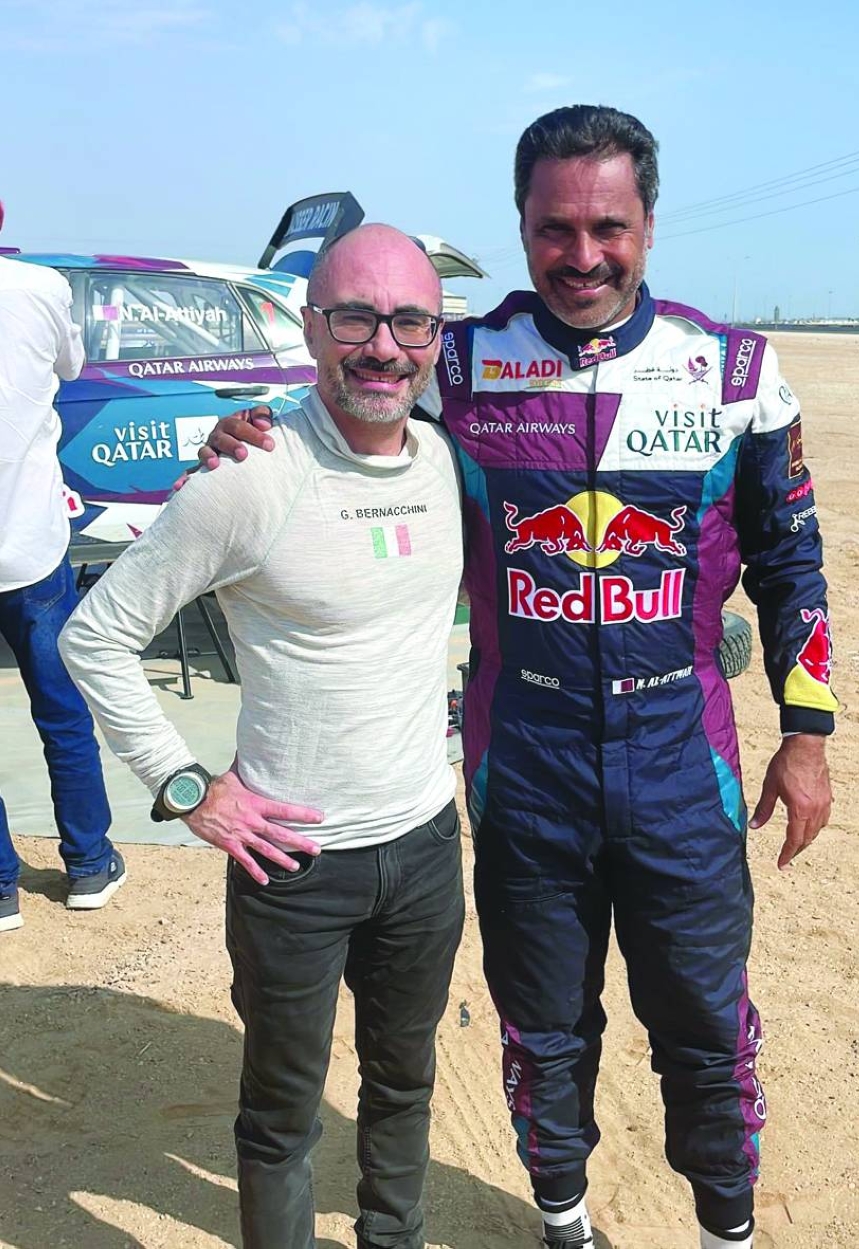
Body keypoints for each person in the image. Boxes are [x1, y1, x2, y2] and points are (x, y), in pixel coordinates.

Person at [202, 105, 838, 1249]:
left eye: (608, 227)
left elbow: (792, 559)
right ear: (523, 227)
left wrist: (806, 732)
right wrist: (247, 431)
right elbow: (350, 398)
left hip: (680, 763)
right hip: (523, 764)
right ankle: (562, 1218)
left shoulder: (735, 371)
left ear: (649, 223)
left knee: (703, 1023)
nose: (581, 255)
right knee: (542, 1025)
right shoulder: (460, 361)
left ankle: (725, 1229)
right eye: (555, 229)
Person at [58, 225, 467, 1249]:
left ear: (435, 333)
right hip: (293, 861)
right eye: (354, 318)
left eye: (408, 320)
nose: (382, 345)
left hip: (423, 844)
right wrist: (188, 788)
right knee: (282, 1114)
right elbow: (95, 634)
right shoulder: (251, 472)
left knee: (403, 1082)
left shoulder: (445, 456)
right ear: (310, 325)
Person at [0, 199, 126, 930]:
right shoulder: (40, 287)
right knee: (63, 711)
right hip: (33, 544)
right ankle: (87, 864)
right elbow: (70, 365)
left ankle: (2, 889)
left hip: (31, 543)